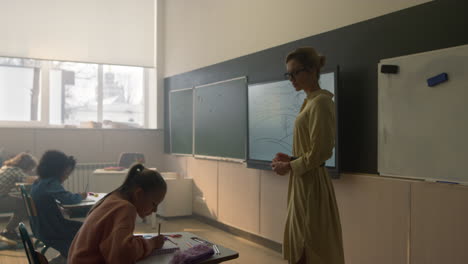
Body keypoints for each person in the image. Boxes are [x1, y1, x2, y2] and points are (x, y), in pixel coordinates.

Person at [271, 47, 344, 264]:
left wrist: (290, 166)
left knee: (310, 244)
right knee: (300, 241)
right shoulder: (310, 100)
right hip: (303, 181)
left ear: (312, 70)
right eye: (289, 74)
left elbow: (321, 152)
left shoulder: (321, 102)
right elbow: (310, 152)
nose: (291, 79)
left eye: (296, 72)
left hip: (312, 185)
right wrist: (291, 161)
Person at [68, 164, 167, 264]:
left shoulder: (111, 199)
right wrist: (152, 243)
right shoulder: (124, 208)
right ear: (139, 194)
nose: (155, 210)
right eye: (154, 204)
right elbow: (122, 257)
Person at [31, 150, 86, 263]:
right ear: (56, 170)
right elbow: (69, 199)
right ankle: (70, 256)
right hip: (52, 229)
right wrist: (80, 196)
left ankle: (63, 257)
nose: (66, 177)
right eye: (66, 173)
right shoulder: (51, 183)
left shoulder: (39, 182)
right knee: (87, 230)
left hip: (41, 227)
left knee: (82, 228)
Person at [0, 152, 37, 244]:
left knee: (20, 200)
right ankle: (8, 231)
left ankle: (9, 230)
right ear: (26, 166)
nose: (30, 171)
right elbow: (28, 179)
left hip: (2, 195)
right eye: (30, 168)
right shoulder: (16, 170)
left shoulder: (6, 168)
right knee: (25, 205)